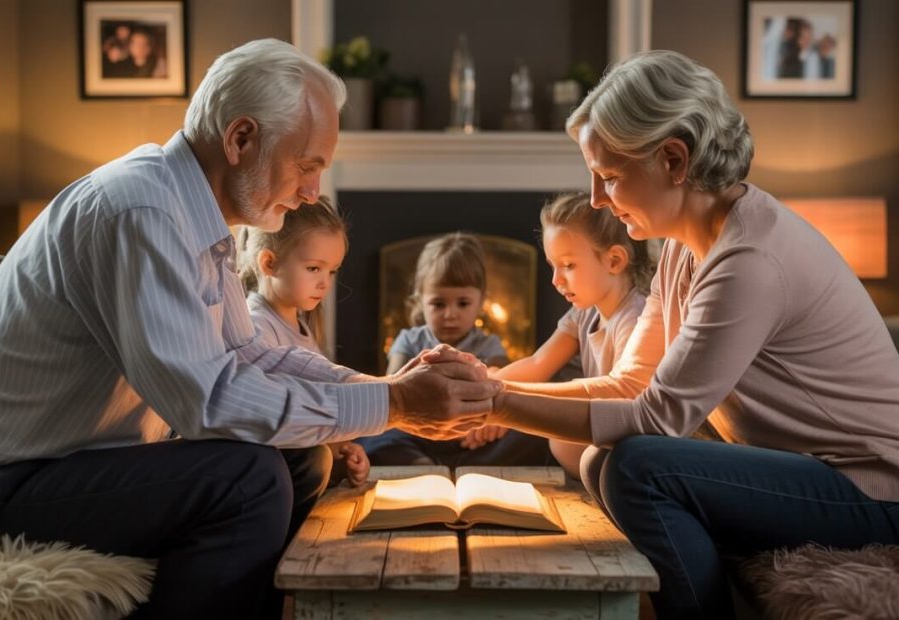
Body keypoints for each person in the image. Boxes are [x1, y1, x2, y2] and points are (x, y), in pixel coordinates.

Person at [0, 38, 499, 619]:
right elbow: (210, 399)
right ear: (240, 138)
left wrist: (376, 387)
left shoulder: (192, 216)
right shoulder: (141, 211)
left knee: (304, 458)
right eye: (306, 165)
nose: (311, 192)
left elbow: (248, 354)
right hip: (2, 484)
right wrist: (393, 405)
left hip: (68, 468)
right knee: (247, 477)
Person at [484, 50, 899, 619]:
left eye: (607, 177)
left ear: (673, 160)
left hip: (871, 489)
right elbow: (630, 382)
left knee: (638, 465)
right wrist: (493, 394)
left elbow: (657, 419)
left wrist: (496, 404)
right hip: (812, 471)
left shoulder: (749, 260)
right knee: (599, 461)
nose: (597, 199)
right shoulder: (683, 245)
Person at [478, 192, 652, 478]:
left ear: (614, 260)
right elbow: (537, 363)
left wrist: (499, 401)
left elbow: (622, 398)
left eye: (568, 265)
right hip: (594, 440)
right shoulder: (584, 312)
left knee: (550, 431)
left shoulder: (635, 319)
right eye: (552, 265)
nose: (556, 280)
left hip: (628, 440)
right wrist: (482, 387)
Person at [359, 232, 550, 468]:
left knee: (532, 432)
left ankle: (461, 467)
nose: (450, 314)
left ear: (481, 303)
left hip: (472, 438)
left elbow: (500, 387)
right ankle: (424, 464)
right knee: (373, 435)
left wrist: (492, 422)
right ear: (420, 301)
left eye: (463, 303)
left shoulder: (488, 345)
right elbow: (391, 389)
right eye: (438, 304)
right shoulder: (408, 341)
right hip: (418, 433)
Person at [236, 197, 369, 487]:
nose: (326, 282)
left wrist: (342, 447)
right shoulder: (255, 326)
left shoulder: (301, 326)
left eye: (332, 271)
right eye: (313, 269)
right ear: (269, 263)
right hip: (268, 465)